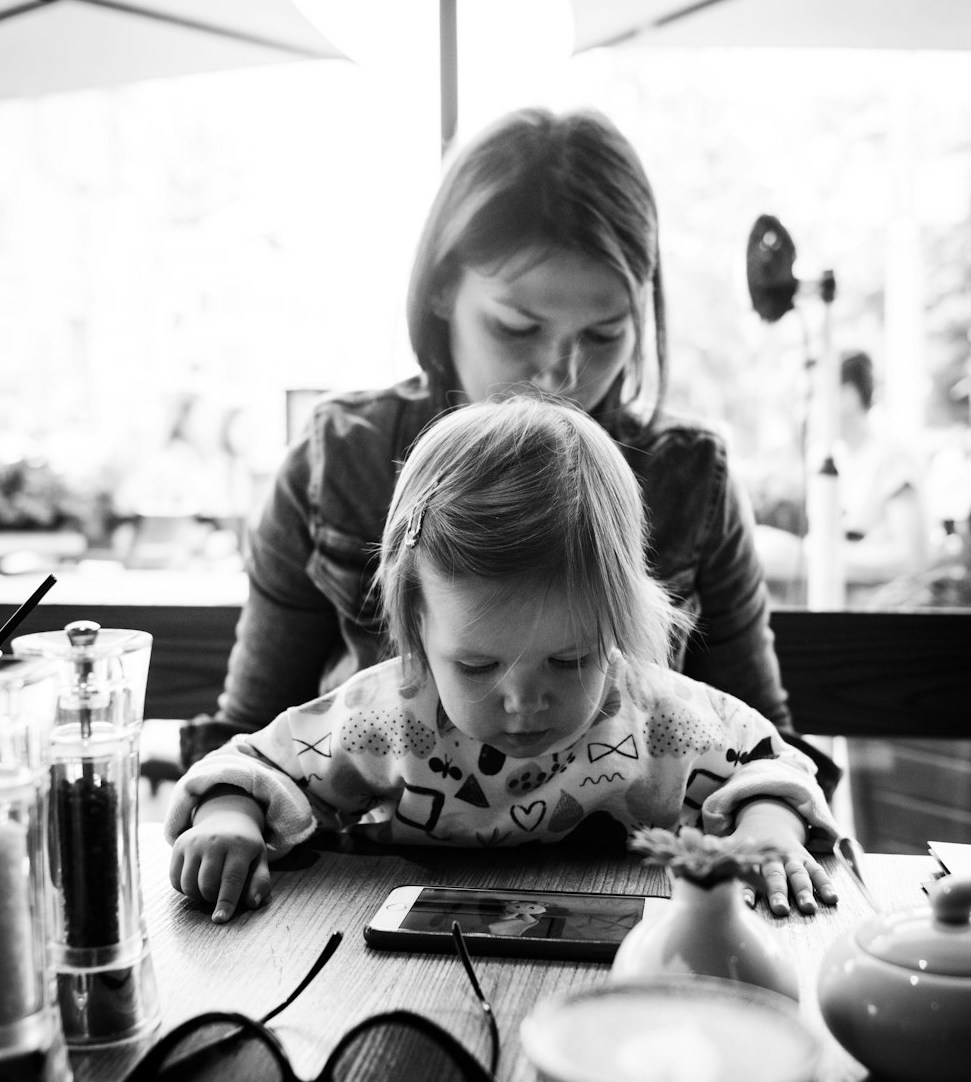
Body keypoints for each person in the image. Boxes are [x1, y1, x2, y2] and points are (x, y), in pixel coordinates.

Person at [185, 107, 831, 786]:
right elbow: (248, 738)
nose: (561, 374)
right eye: (517, 326)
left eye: (605, 334)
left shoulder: (690, 478)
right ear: (439, 289)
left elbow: (765, 752)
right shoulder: (338, 464)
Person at [167, 398, 840, 924]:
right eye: (478, 667)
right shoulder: (390, 714)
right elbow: (255, 764)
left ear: (616, 625)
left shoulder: (654, 713)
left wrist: (768, 828)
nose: (524, 700)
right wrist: (228, 816)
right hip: (408, 968)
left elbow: (769, 761)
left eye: (571, 659)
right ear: (416, 627)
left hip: (615, 970)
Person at [835, 350, 928, 596]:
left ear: (848, 395)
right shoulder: (831, 459)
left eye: (813, 396)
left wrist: (820, 556)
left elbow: (911, 557)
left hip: (881, 613)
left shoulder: (892, 458)